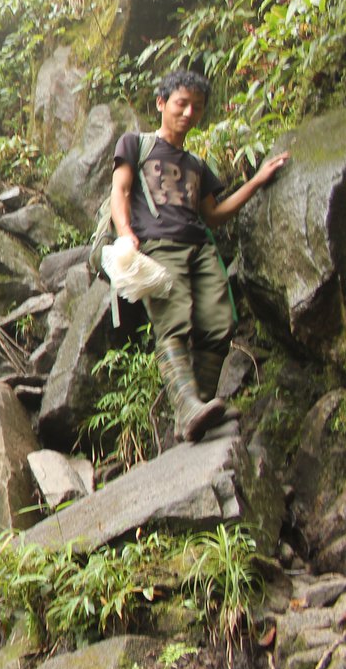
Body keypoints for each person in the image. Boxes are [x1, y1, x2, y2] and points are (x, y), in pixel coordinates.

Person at [110, 69, 290, 443]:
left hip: (201, 247)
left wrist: (255, 182)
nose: (189, 112)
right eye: (181, 103)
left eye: (197, 107)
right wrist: (127, 233)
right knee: (173, 323)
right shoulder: (136, 144)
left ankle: (200, 409)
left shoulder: (197, 165)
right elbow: (121, 191)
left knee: (219, 322)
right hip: (157, 245)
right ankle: (186, 407)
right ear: (161, 103)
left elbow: (214, 215)